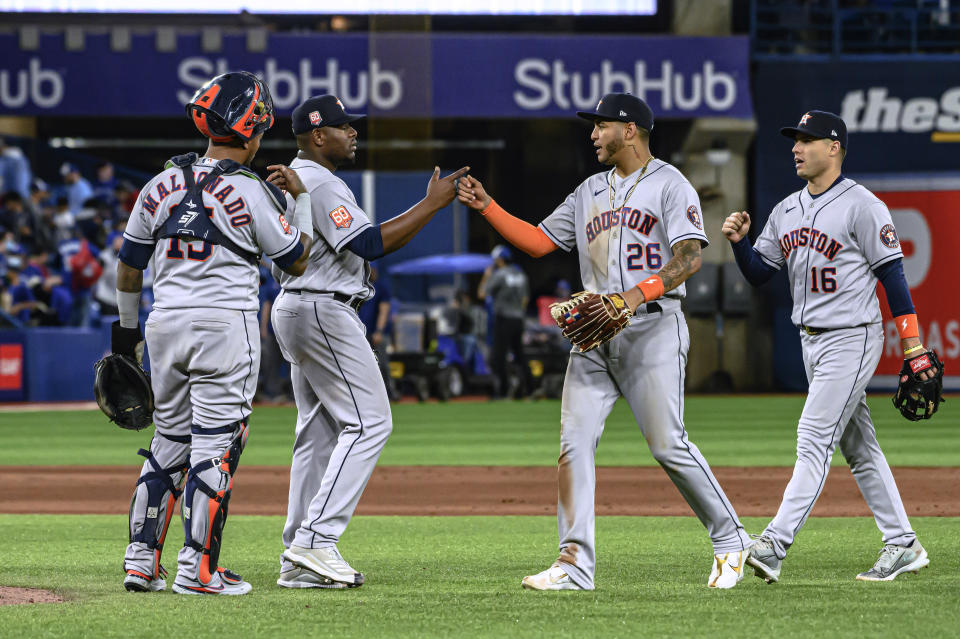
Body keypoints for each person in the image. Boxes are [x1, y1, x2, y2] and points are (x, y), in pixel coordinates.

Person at [457, 92, 752, 590]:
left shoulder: (670, 184)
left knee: (667, 444)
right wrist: (488, 206)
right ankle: (573, 565)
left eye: (601, 125)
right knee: (573, 445)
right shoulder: (588, 190)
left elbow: (688, 260)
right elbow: (538, 241)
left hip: (653, 326)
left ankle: (731, 537)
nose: (593, 133)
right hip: (595, 333)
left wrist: (633, 298)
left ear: (630, 129)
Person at [115, 70, 313, 596]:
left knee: (168, 442)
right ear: (251, 129)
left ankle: (140, 561)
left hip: (164, 325)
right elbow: (296, 260)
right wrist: (301, 201)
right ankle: (198, 569)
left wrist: (124, 334)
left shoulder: (159, 182)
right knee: (218, 445)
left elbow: (130, 265)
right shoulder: (250, 190)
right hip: (224, 326)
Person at [722, 110, 932, 583]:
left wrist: (914, 347)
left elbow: (893, 277)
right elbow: (760, 273)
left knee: (813, 437)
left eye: (807, 140)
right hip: (810, 342)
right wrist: (740, 244)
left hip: (853, 337)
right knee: (859, 448)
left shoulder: (862, 205)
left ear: (833, 147)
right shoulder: (787, 210)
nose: (796, 148)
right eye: (795, 140)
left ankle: (774, 544)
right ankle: (902, 543)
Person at [267, 94, 467, 589]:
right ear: (318, 136)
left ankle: (298, 558)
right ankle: (315, 540)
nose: (353, 133)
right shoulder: (317, 180)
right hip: (321, 308)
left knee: (318, 435)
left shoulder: (303, 181)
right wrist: (432, 204)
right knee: (370, 421)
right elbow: (370, 243)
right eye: (343, 127)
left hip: (299, 303)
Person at [478, 244, 530, 398]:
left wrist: (486, 276)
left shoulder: (499, 274)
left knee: (498, 357)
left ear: (500, 260)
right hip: (518, 319)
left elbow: (481, 294)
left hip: (503, 318)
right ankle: (529, 389)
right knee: (520, 355)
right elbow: (525, 299)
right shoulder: (521, 274)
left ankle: (503, 391)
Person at [358, 264, 398, 400]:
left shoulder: (380, 288)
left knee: (382, 363)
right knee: (362, 365)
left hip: (376, 333)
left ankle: (389, 391)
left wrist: (379, 331)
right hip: (361, 333)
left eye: (373, 269)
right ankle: (367, 395)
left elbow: (384, 310)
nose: (371, 272)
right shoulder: (360, 287)